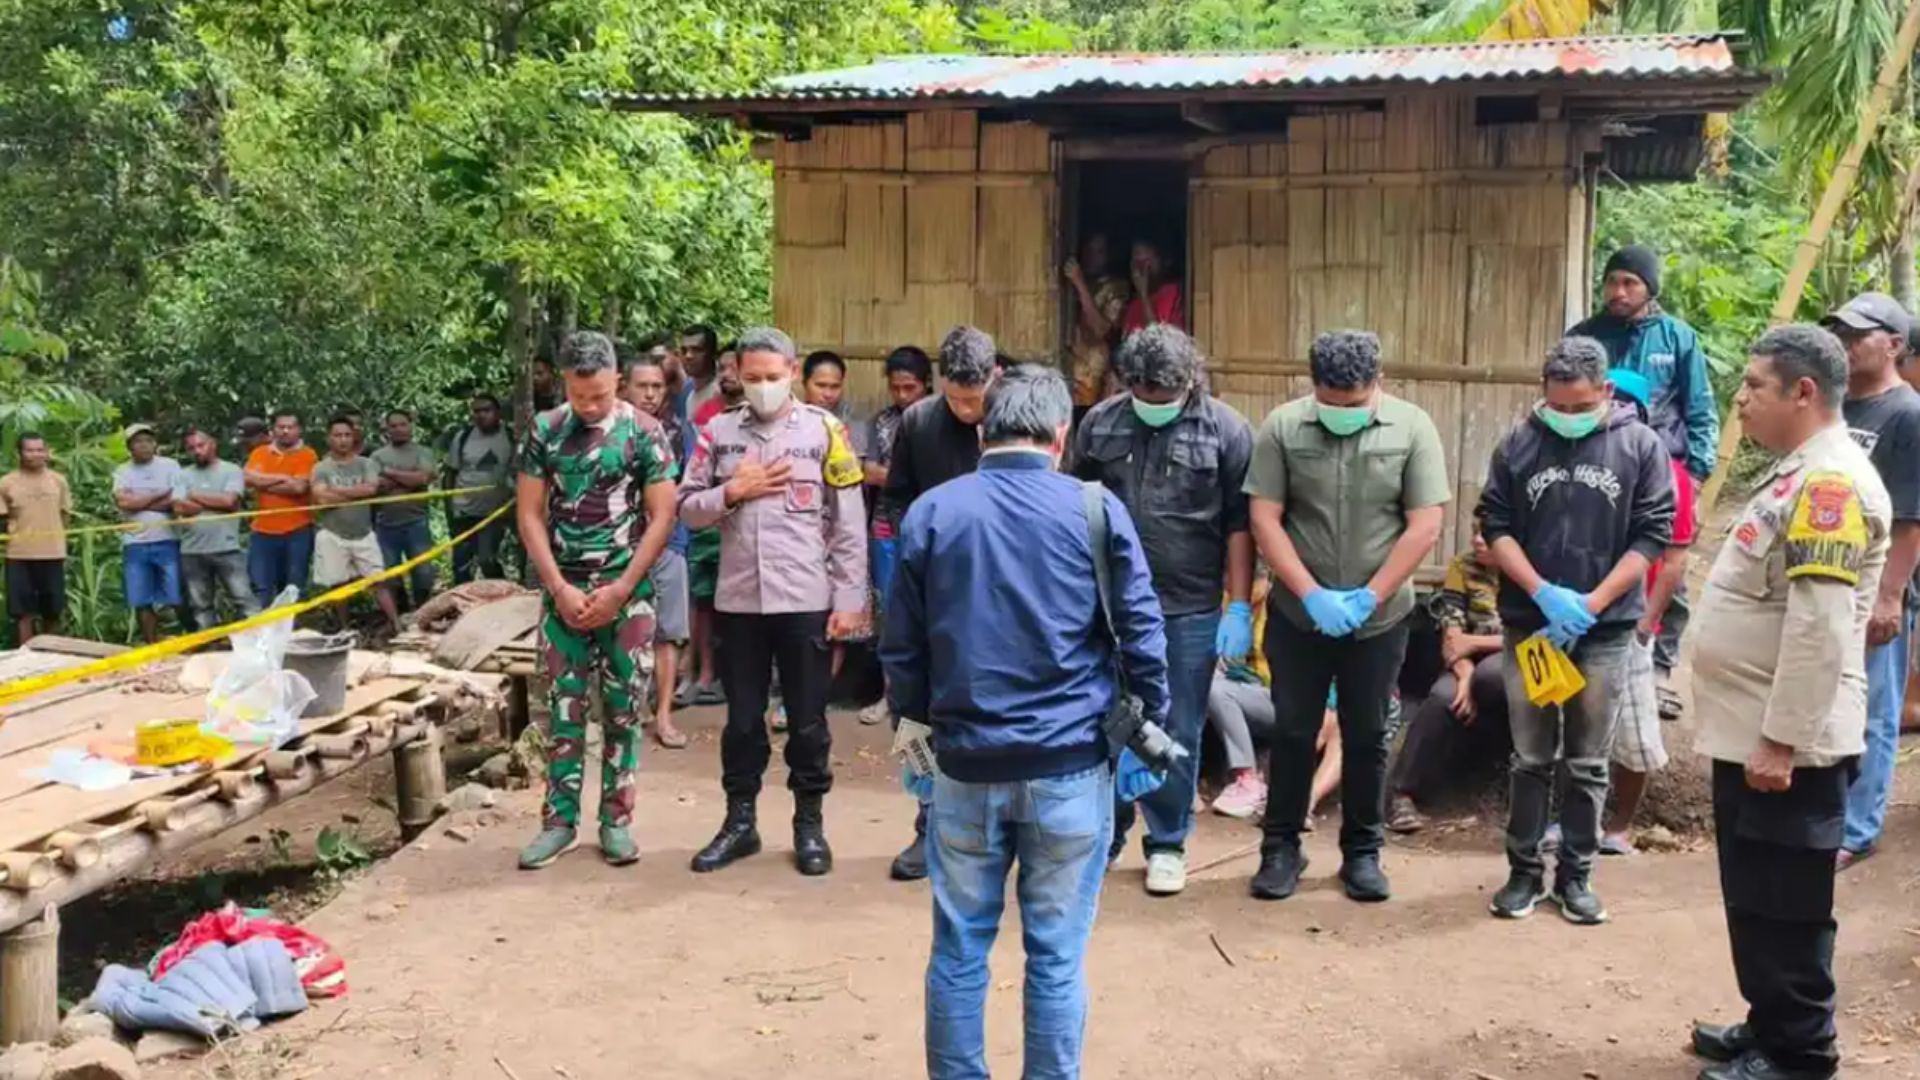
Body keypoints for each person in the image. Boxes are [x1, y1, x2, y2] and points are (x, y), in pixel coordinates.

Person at [880, 364, 1170, 1080]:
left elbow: (901, 648)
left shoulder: (933, 512)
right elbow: (1143, 633)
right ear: (1062, 435)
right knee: (1057, 957)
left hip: (962, 767)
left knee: (958, 950)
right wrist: (1148, 724)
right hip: (1069, 768)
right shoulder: (1096, 510)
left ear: (983, 429)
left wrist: (914, 743)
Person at [1688, 325, 1886, 1080]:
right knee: (1754, 895)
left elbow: (1819, 626)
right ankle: (1768, 1023)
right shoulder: (1795, 472)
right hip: (1752, 732)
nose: (1740, 400)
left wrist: (1783, 740)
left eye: (1754, 387)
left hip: (1788, 744)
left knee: (1788, 904)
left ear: (1803, 392)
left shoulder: (1830, 484)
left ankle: (1801, 1053)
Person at [1244, 329, 1449, 903]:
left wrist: (1370, 596)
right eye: (1331, 403)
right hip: (1297, 616)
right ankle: (1281, 847)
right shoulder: (1283, 427)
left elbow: (1425, 524)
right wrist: (1309, 592)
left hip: (1379, 622)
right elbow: (1264, 517)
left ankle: (1362, 851)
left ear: (1379, 382)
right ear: (1313, 386)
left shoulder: (1413, 428)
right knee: (1292, 732)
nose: (1342, 413)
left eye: (1354, 403)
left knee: (1367, 734)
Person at [1478, 336, 1674, 925]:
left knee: (1588, 760)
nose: (1566, 417)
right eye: (1556, 406)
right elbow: (1495, 525)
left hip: (1604, 629)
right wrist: (1540, 591)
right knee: (1531, 755)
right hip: (1532, 629)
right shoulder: (1519, 443)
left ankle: (1576, 876)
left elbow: (1652, 534)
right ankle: (1522, 873)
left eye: (1580, 406)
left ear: (1606, 391)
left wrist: (1593, 601)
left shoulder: (1640, 446)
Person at [679, 327, 868, 877]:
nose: (763, 386)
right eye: (753, 377)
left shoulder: (825, 431)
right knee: (742, 722)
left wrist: (849, 599)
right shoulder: (717, 432)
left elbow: (848, 522)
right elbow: (686, 508)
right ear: (737, 373)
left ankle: (809, 824)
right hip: (740, 602)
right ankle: (740, 823)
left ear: (793, 371)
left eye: (773, 376)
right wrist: (731, 492)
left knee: (808, 722)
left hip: (804, 599)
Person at [1072, 323, 1253, 895]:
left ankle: (1168, 841)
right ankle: (1106, 833)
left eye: (1164, 396)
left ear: (1190, 381)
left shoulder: (1226, 430)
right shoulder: (1100, 423)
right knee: (1103, 718)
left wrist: (1238, 605)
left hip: (1188, 605)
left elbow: (1240, 525)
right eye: (1143, 393)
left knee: (1176, 725)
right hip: (1107, 603)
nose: (1153, 403)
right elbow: (1075, 508)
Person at [515, 331, 679, 870]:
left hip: (626, 594)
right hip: (563, 591)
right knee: (563, 710)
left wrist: (621, 589)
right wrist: (559, 588)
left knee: (623, 710)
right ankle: (558, 823)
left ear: (618, 381)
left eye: (601, 395)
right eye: (579, 395)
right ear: (565, 383)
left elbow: (662, 516)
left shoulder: (645, 432)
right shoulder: (545, 430)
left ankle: (616, 822)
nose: (589, 406)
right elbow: (529, 514)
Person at [1569, 244, 1717, 713]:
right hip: (1597, 462)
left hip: (1665, 465)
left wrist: (1696, 475)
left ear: (1649, 288)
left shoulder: (1677, 338)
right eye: (1612, 281)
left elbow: (1700, 408)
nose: (1618, 291)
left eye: (1629, 283)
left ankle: (1659, 667)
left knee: (1668, 563)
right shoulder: (1584, 336)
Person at [882, 325, 997, 882]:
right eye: (956, 398)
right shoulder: (919, 422)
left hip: (998, 594)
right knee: (913, 704)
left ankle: (991, 828)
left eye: (975, 400)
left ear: (995, 378)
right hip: (930, 586)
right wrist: (923, 544)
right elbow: (896, 497)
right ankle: (928, 820)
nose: (967, 410)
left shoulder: (1016, 419)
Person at [1817, 292, 1920, 870]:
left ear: (1894, 345)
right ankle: (1825, 812)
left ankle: (1858, 829)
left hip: (1876, 583)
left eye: (1859, 335)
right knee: (1829, 695)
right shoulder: (1834, 405)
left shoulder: (1907, 415)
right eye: (1841, 333)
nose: (1847, 344)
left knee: (1876, 707)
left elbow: (1911, 519)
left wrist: (1890, 596)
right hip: (1827, 575)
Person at [1599, 367, 1691, 856]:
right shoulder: (1573, 461)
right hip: (1576, 617)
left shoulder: (1672, 476)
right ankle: (1570, 823)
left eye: (1623, 405)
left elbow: (1673, 561)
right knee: (1570, 728)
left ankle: (1618, 828)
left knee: (1633, 731)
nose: (1614, 413)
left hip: (1631, 620)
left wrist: (1645, 621)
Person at [1385, 513, 1509, 835]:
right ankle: (1401, 795)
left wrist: (1475, 643)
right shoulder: (1462, 567)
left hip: (1517, 659)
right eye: (1475, 532)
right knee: (1443, 697)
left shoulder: (1530, 571)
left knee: (1492, 676)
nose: (1478, 540)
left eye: (1487, 534)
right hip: (1466, 661)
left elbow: (1533, 637)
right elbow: (1451, 636)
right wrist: (1465, 676)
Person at [624, 351, 692, 750]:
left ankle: (664, 715)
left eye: (657, 386)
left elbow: (688, 485)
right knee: (624, 629)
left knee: (669, 632)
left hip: (669, 543)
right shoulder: (609, 431)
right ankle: (630, 711)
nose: (650, 394)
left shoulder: (678, 432)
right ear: (624, 387)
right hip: (619, 547)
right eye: (642, 386)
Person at [681, 343, 743, 707]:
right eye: (722, 368)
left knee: (739, 606)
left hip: (743, 524)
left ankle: (734, 675)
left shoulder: (761, 417)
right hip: (707, 521)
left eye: (734, 368)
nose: (727, 375)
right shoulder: (704, 414)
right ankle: (704, 674)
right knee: (703, 600)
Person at [310, 417, 404, 635]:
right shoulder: (321, 468)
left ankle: (396, 625)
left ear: (354, 437)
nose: (343, 440)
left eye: (347, 435)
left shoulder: (365, 464)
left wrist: (335, 492)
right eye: (337, 435)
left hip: (363, 533)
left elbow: (370, 490)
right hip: (332, 533)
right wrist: (355, 492)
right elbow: (322, 499)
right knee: (338, 585)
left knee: (379, 580)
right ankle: (345, 629)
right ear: (329, 438)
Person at [172, 427, 260, 631]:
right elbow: (178, 507)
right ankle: (208, 644)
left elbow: (229, 502)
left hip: (226, 547)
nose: (197, 451)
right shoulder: (182, 474)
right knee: (200, 605)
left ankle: (259, 640)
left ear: (212, 444)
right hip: (191, 550)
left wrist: (193, 495)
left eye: (200, 445)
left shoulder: (231, 470)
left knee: (244, 599)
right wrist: (213, 502)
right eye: (191, 448)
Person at [113, 423, 185, 644]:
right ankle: (151, 644)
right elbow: (124, 503)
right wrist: (160, 493)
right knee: (141, 598)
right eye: (138, 441)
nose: (144, 445)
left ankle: (188, 641)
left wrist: (139, 502)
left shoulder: (170, 465)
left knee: (176, 594)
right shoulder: (123, 471)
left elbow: (176, 500)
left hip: (168, 539)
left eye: (148, 440)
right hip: (135, 542)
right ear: (129, 447)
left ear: (155, 444)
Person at [0, 433, 72, 644]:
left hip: (52, 553)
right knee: (23, 611)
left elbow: (65, 514)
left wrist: (59, 540)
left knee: (52, 608)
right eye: (30, 450)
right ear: (20, 453)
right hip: (19, 554)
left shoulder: (58, 481)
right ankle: (25, 654)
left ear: (46, 452)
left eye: (40, 450)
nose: (36, 454)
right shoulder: (6, 483)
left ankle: (50, 651)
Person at [244, 411, 318, 609]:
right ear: (273, 429)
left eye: (290, 427)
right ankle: (264, 626)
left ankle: (289, 626)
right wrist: (284, 478)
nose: (285, 431)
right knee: (261, 586)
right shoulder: (259, 453)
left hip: (297, 530)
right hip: (262, 531)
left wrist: (262, 482)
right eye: (281, 427)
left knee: (293, 587)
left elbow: (299, 488)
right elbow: (247, 479)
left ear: (299, 430)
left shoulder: (308, 454)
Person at [443, 394, 515, 584]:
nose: (481, 415)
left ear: (498, 412)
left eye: (486, 410)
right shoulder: (463, 437)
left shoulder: (511, 436)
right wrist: (449, 508)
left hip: (494, 512)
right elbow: (450, 473)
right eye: (476, 411)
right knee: (461, 565)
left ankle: (502, 594)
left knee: (487, 559)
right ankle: (462, 599)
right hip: (463, 510)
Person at [370, 410, 438, 610]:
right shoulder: (377, 456)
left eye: (403, 424)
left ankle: (423, 611)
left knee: (423, 573)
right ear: (387, 429)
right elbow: (376, 486)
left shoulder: (423, 452)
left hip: (417, 522)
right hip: (385, 524)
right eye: (393, 426)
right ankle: (400, 615)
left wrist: (389, 471)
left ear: (411, 426)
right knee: (390, 575)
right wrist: (407, 479)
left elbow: (422, 479)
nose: (399, 429)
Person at [1063, 232, 1130, 415]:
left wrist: (1079, 283)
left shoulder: (1116, 287)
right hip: (1069, 372)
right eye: (1089, 250)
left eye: (1099, 251)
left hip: (1093, 376)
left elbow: (1101, 330)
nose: (1092, 256)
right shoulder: (1068, 285)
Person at [1120, 238, 1183, 335]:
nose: (1141, 271)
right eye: (1136, 264)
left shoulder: (1175, 295)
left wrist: (1144, 296)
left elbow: (1157, 339)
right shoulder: (1133, 307)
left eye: (1146, 264)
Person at [680, 324, 721, 419]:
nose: (688, 356)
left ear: (713, 353)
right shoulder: (690, 398)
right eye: (684, 350)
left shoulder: (725, 391)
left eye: (696, 350)